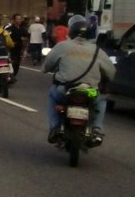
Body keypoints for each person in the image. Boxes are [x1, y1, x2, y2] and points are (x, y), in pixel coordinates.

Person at [43, 16, 115, 145]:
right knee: (102, 100)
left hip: (65, 91)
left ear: (70, 32)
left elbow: (46, 67)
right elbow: (111, 73)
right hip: (90, 92)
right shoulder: (98, 50)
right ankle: (97, 129)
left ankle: (54, 127)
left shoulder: (62, 46)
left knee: (52, 95)